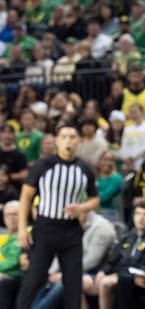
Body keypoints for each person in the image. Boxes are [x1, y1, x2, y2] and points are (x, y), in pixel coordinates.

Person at [16, 124, 100, 309]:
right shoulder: (43, 165)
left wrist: (81, 208)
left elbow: (95, 200)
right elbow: (26, 197)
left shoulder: (85, 168)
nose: (68, 140)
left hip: (71, 230)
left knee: (73, 283)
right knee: (34, 279)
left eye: (72, 136)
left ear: (79, 141)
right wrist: (22, 228)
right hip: (45, 228)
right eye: (64, 136)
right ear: (57, 141)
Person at [94, 200, 145, 309]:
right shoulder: (127, 237)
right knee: (85, 282)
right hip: (119, 274)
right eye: (138, 213)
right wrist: (103, 271)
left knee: (106, 284)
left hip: (137, 276)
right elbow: (112, 260)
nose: (141, 218)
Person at [0, 201, 22, 308]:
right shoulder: (5, 236)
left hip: (16, 277)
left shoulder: (28, 233)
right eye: (8, 215)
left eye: (15, 214)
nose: (11, 218)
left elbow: (14, 261)